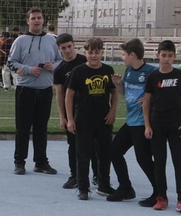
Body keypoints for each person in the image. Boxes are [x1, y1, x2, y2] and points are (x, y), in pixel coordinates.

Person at [7, 7, 60, 175]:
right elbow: (11, 63)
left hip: (45, 90)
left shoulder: (52, 40)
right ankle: (19, 162)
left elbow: (61, 60)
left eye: (39, 18)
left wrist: (54, 67)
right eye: (33, 18)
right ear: (27, 21)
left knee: (41, 128)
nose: (36, 21)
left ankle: (41, 162)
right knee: (22, 128)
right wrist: (29, 70)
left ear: (43, 20)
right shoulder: (20, 41)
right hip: (25, 90)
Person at [107, 39, 159, 204]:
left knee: (143, 159)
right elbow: (125, 92)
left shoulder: (151, 72)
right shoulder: (129, 70)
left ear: (132, 54)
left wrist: (150, 99)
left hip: (143, 123)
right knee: (114, 151)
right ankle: (126, 188)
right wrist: (118, 85)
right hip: (131, 121)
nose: (122, 57)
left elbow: (162, 93)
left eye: (123, 54)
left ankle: (159, 192)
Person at [141, 40, 181, 214]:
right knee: (159, 162)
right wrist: (147, 125)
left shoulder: (180, 75)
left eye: (170, 56)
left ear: (174, 57)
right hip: (157, 124)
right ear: (158, 55)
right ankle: (161, 197)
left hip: (177, 124)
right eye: (163, 55)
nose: (167, 59)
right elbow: (146, 103)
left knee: (179, 162)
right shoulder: (153, 77)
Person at [65, 36, 117, 201]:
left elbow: (114, 92)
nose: (93, 56)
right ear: (85, 53)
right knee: (83, 154)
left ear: (102, 52)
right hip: (83, 118)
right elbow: (69, 96)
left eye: (97, 52)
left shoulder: (108, 70)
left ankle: (104, 184)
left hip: (103, 119)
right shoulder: (79, 71)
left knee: (105, 154)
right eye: (90, 52)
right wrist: (70, 119)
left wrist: (113, 111)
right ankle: (83, 187)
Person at [52, 34, 86, 190]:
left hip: (89, 109)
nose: (67, 50)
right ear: (59, 49)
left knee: (95, 146)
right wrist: (62, 116)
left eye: (69, 46)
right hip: (71, 112)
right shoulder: (59, 70)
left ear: (74, 45)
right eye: (63, 48)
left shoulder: (85, 62)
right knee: (73, 145)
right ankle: (75, 176)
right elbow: (59, 94)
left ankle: (98, 176)